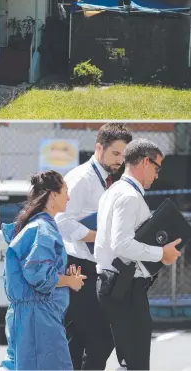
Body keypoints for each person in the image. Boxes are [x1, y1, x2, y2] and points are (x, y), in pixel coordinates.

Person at [95, 139, 182, 371]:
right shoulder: (129, 196)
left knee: (124, 361)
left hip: (113, 285)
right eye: (157, 167)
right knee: (136, 363)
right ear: (145, 161)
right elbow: (121, 244)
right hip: (124, 288)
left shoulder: (113, 192)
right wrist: (161, 252)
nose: (157, 175)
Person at [55, 123, 132, 370]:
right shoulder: (81, 178)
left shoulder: (108, 179)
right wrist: (97, 236)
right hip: (78, 266)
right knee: (100, 338)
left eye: (124, 155)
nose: (120, 160)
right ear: (99, 148)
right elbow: (60, 220)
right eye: (116, 154)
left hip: (93, 266)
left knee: (78, 340)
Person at [0, 171, 87, 371]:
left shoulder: (34, 225)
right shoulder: (43, 228)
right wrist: (69, 281)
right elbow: (37, 273)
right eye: (66, 191)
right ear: (53, 194)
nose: (69, 197)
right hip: (40, 319)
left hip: (28, 315)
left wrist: (65, 277)